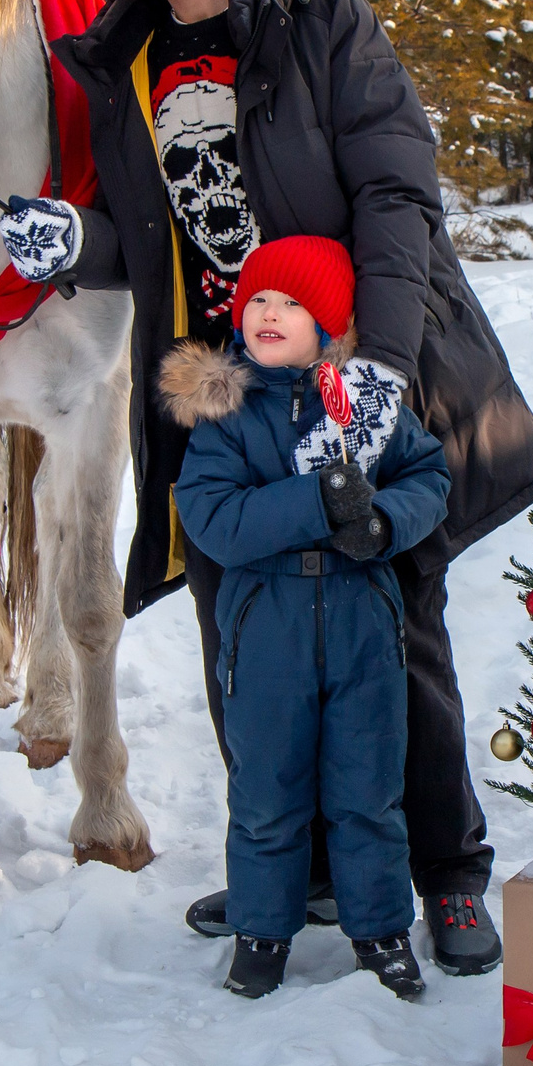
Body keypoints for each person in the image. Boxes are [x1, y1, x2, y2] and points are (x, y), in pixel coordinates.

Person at [2, 0, 533, 975]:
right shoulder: (125, 58)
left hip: (348, 364)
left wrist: (379, 371)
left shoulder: (320, 21)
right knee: (245, 640)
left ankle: (446, 874)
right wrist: (77, 243)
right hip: (220, 394)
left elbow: (397, 199)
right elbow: (159, 235)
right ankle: (287, 873)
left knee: (391, 633)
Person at [164, 236, 450, 1000]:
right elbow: (212, 516)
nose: (270, 312)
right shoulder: (224, 410)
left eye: (293, 302)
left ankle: (381, 932)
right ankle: (262, 931)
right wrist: (316, 500)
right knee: (266, 791)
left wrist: (383, 522)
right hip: (266, 631)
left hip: (363, 623)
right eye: (258, 297)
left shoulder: (367, 406)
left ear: (329, 322)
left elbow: (428, 474)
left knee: (367, 788)